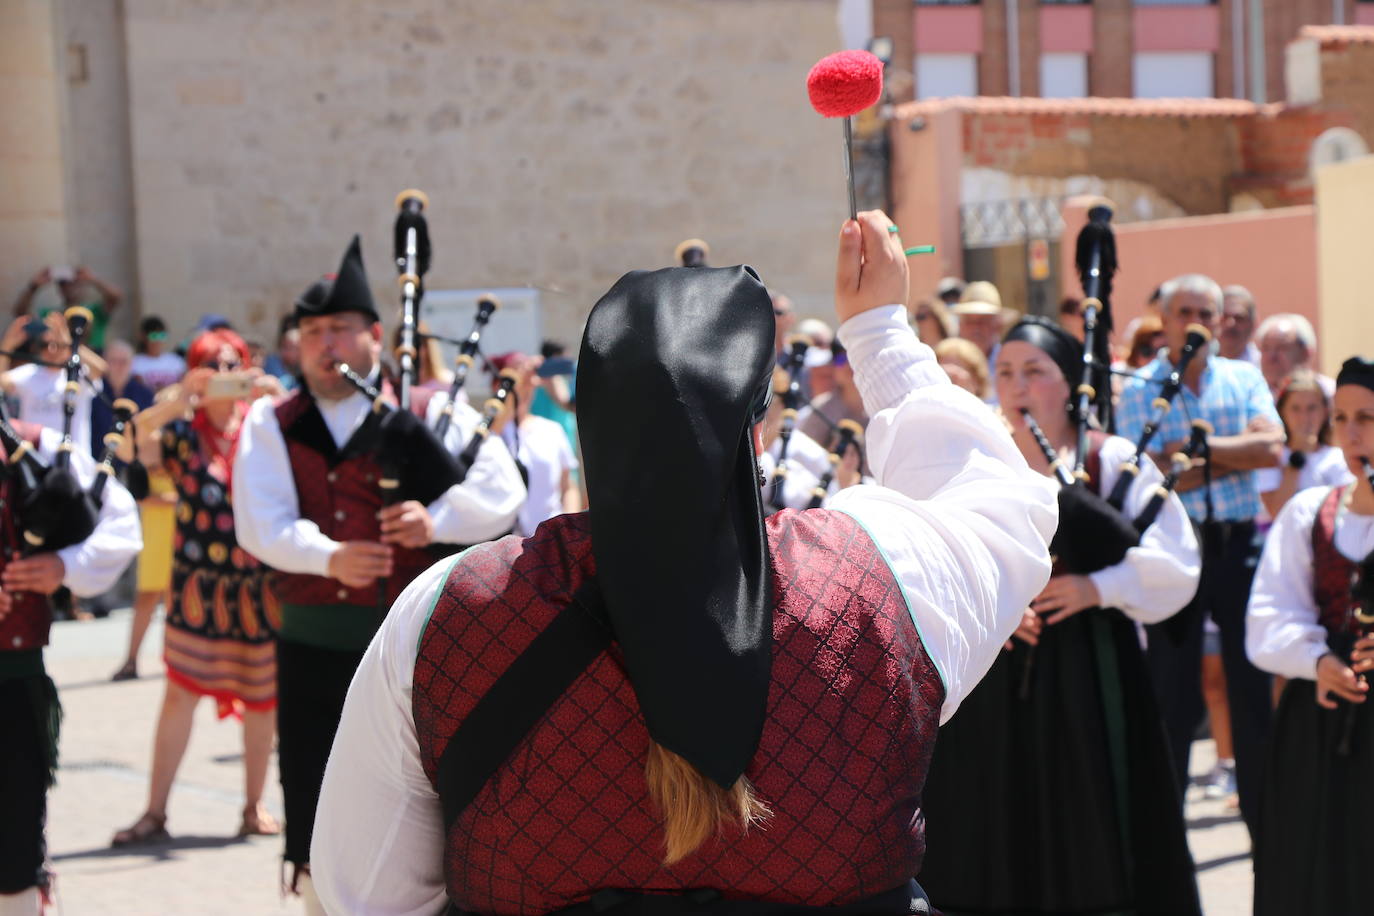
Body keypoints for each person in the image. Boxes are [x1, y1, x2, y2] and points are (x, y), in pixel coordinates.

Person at [310, 210, 1057, 914]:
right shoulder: (880, 575)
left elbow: (366, 895)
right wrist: (880, 330)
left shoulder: (449, 606)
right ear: (756, 432)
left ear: (587, 429)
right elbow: (996, 497)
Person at [233, 236, 523, 911]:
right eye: (311, 332)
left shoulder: (428, 409)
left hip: (423, 650)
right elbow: (260, 522)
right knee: (313, 794)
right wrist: (328, 556)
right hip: (315, 644)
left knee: (429, 801)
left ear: (372, 334)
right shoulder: (272, 422)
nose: (324, 343)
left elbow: (502, 490)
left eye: (339, 328)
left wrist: (435, 518)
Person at [920, 316, 1202, 916]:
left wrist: (1095, 587)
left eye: (1034, 371)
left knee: (1091, 814)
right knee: (993, 822)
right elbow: (930, 556)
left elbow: (1178, 565)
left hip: (1092, 676)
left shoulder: (1110, 458)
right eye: (1005, 372)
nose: (1017, 386)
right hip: (992, 680)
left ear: (1070, 382)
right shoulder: (973, 462)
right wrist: (990, 609)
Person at [1116, 272, 1283, 837]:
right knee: (1173, 698)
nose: (1197, 323)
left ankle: (1267, 836)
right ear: (1163, 321)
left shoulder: (1243, 377)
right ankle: (1166, 844)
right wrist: (1234, 454)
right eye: (1185, 312)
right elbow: (1147, 476)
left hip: (1239, 545)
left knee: (1252, 693)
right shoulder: (1140, 389)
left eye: (1206, 313)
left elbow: (1271, 449)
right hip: (1175, 549)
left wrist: (1193, 454)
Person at [111, 328, 285, 846]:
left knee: (262, 700)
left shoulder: (264, 426)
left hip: (257, 590)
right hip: (196, 590)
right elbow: (127, 444)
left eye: (232, 364)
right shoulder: (182, 434)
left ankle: (253, 808)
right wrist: (178, 400)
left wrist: (275, 396)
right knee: (179, 695)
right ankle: (154, 812)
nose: (224, 374)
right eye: (212, 365)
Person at [1245, 356, 1374, 915]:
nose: (1350, 433)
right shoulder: (1309, 511)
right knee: (1315, 858)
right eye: (1341, 417)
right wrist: (1318, 660)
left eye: (1366, 418)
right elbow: (1268, 615)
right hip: (1319, 715)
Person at [0, 415, 142, 912]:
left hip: (12, 682)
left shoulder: (32, 443)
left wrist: (66, 565)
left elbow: (121, 523)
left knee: (14, 854)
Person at [489, 352, 581, 537]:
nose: (526, 386)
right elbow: (491, 435)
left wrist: (569, 532)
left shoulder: (551, 430)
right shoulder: (492, 430)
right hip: (502, 542)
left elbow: (568, 487)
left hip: (549, 541)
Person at [1255, 368, 1352, 521]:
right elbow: (1277, 513)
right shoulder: (1271, 457)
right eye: (1295, 408)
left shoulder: (1339, 458)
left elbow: (1345, 509)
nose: (1304, 417)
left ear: (1325, 411)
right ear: (1282, 412)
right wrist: (1297, 458)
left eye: (1311, 408)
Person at [0, 314, 101, 455]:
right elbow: (2, 382)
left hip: (73, 459)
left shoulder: (79, 373)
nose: (51, 350)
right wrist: (7, 346)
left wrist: (69, 342)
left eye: (57, 344)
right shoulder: (30, 373)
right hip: (35, 458)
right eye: (44, 345)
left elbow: (101, 369)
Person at [13, 264, 123, 352]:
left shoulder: (94, 310)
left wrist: (93, 280)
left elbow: (115, 298)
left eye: (73, 282)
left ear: (81, 284)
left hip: (93, 358)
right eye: (63, 284)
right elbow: (22, 315)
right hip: (60, 361)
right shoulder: (52, 314)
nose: (68, 287)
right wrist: (33, 287)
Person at [1256, 312, 1334, 399]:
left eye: (1282, 347)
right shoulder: (1251, 395)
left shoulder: (1329, 395)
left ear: (1306, 353)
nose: (1271, 357)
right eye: (1265, 348)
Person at [950, 280, 1004, 363]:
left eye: (983, 320)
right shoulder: (948, 362)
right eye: (969, 321)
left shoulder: (1009, 361)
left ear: (997, 325)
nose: (975, 327)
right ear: (960, 325)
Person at [132, 316, 188, 392]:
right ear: (144, 337)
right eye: (154, 336)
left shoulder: (176, 361)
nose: (158, 340)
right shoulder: (135, 363)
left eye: (162, 335)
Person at [1220, 285, 1260, 366]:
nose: (1230, 324)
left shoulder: (1262, 367)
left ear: (1252, 323)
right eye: (1225, 316)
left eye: (1239, 318)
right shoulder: (1199, 364)